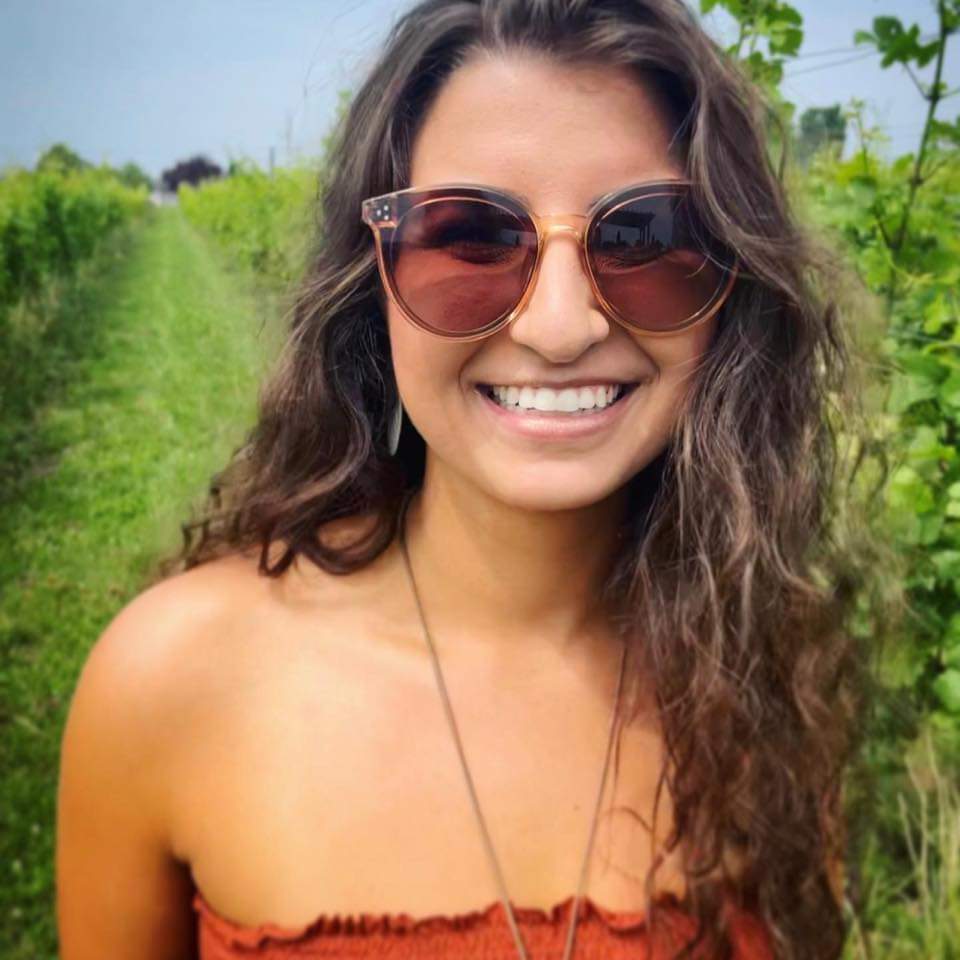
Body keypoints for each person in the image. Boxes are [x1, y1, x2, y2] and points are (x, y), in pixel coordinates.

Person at [56, 0, 872, 957]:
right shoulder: (171, 684)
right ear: (373, 285)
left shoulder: (767, 678)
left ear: (732, 287)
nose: (559, 327)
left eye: (643, 237)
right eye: (471, 240)